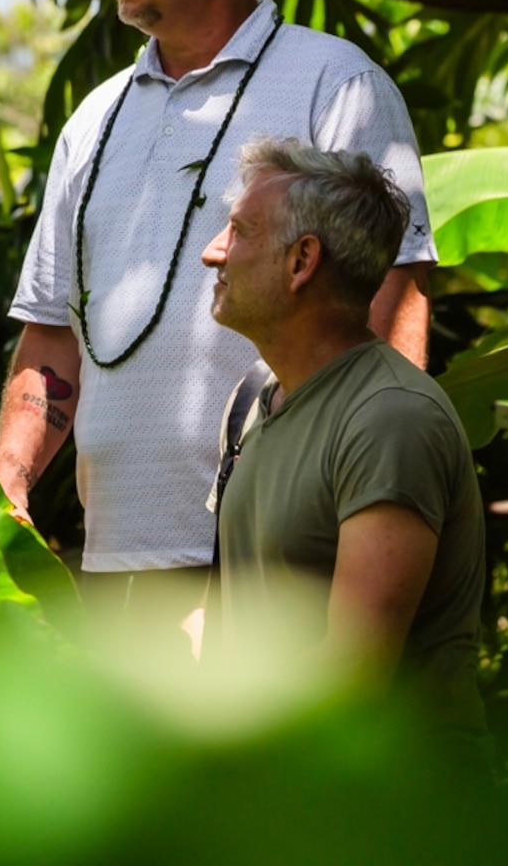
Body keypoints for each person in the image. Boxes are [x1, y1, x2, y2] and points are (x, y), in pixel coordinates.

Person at [0, 0, 435, 628]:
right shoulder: (94, 121)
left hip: (280, 556)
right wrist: (10, 478)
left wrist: (361, 512)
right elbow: (53, 333)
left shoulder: (337, 84)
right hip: (118, 560)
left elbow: (390, 312)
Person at [204, 137, 486, 757]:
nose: (212, 253)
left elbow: (352, 675)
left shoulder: (390, 419)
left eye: (239, 231)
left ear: (302, 260)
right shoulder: (255, 401)